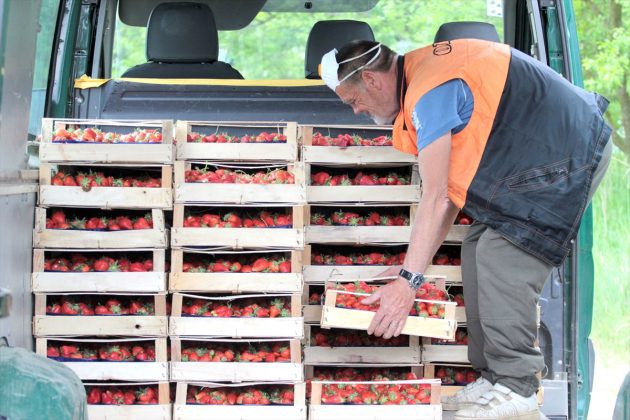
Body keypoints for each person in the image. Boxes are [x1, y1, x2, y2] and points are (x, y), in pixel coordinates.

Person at [319, 39, 612, 420]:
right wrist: (411, 270)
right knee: (476, 245)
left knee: (500, 252)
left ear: (372, 80)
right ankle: (494, 380)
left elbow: (438, 197)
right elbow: (450, 197)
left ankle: (519, 385)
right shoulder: (423, 78)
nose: (356, 110)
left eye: (351, 99)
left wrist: (408, 282)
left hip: (572, 152)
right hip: (542, 155)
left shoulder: (429, 92)